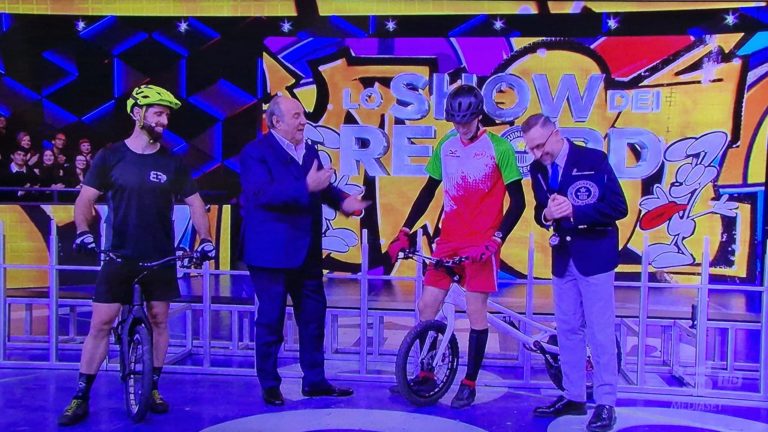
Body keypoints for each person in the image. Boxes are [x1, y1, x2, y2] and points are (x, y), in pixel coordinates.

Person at [58, 84, 217, 426]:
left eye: (166, 115)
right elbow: (84, 201)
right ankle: (81, 395)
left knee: (159, 320)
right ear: (137, 113)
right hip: (119, 256)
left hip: (159, 257)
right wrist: (83, 231)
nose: (164, 121)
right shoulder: (110, 156)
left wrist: (205, 239)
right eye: (158, 113)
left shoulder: (172, 162)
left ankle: (152, 387)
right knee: (101, 323)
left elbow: (196, 205)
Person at [386, 84, 526, 409]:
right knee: (427, 306)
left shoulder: (499, 148)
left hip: (482, 244)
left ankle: (469, 383)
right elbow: (428, 190)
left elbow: (518, 202)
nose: (461, 128)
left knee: (476, 312)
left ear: (478, 116)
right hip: (448, 241)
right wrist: (405, 229)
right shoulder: (446, 145)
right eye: (456, 122)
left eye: (466, 121)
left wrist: (497, 239)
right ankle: (427, 373)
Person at [239, 95, 369, 406]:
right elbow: (262, 194)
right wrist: (305, 187)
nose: (303, 121)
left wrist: (344, 202)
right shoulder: (255, 152)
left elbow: (323, 186)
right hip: (270, 254)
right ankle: (270, 384)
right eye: (296, 116)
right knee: (270, 320)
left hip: (307, 252)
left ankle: (315, 380)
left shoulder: (309, 150)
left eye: (303, 115)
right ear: (276, 122)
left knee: (312, 317)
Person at [521, 114, 627, 432]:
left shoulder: (594, 160)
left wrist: (576, 211)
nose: (537, 154)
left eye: (540, 146)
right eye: (531, 149)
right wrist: (546, 214)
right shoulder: (538, 169)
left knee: (600, 330)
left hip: (595, 257)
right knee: (567, 329)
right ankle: (574, 395)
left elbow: (618, 207)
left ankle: (606, 403)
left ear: (556, 134)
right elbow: (540, 212)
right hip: (563, 258)